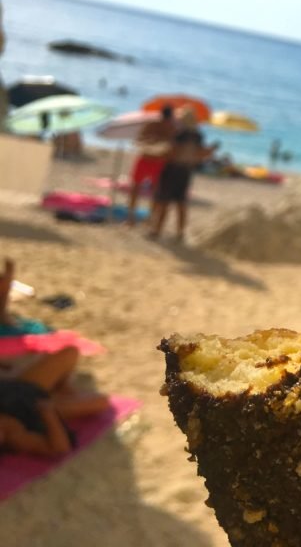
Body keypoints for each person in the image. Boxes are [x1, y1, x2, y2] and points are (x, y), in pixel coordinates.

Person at [0, 260, 110, 457]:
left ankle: (61, 388)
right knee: (100, 402)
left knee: (70, 352)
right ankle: (60, 392)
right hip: (37, 405)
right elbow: (59, 448)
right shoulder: (14, 434)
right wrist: (48, 413)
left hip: (21, 385)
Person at [148, 108, 217, 241]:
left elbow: (173, 152)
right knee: (181, 203)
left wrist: (158, 153)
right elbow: (198, 154)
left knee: (164, 201)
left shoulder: (179, 134)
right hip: (186, 171)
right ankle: (180, 232)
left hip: (172, 169)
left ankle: (157, 230)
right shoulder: (198, 136)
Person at [127, 104, 177, 227]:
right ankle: (147, 218)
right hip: (157, 161)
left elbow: (140, 139)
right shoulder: (171, 128)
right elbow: (172, 149)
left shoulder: (152, 125)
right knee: (154, 191)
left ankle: (133, 218)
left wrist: (152, 141)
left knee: (136, 188)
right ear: (171, 116)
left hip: (146, 158)